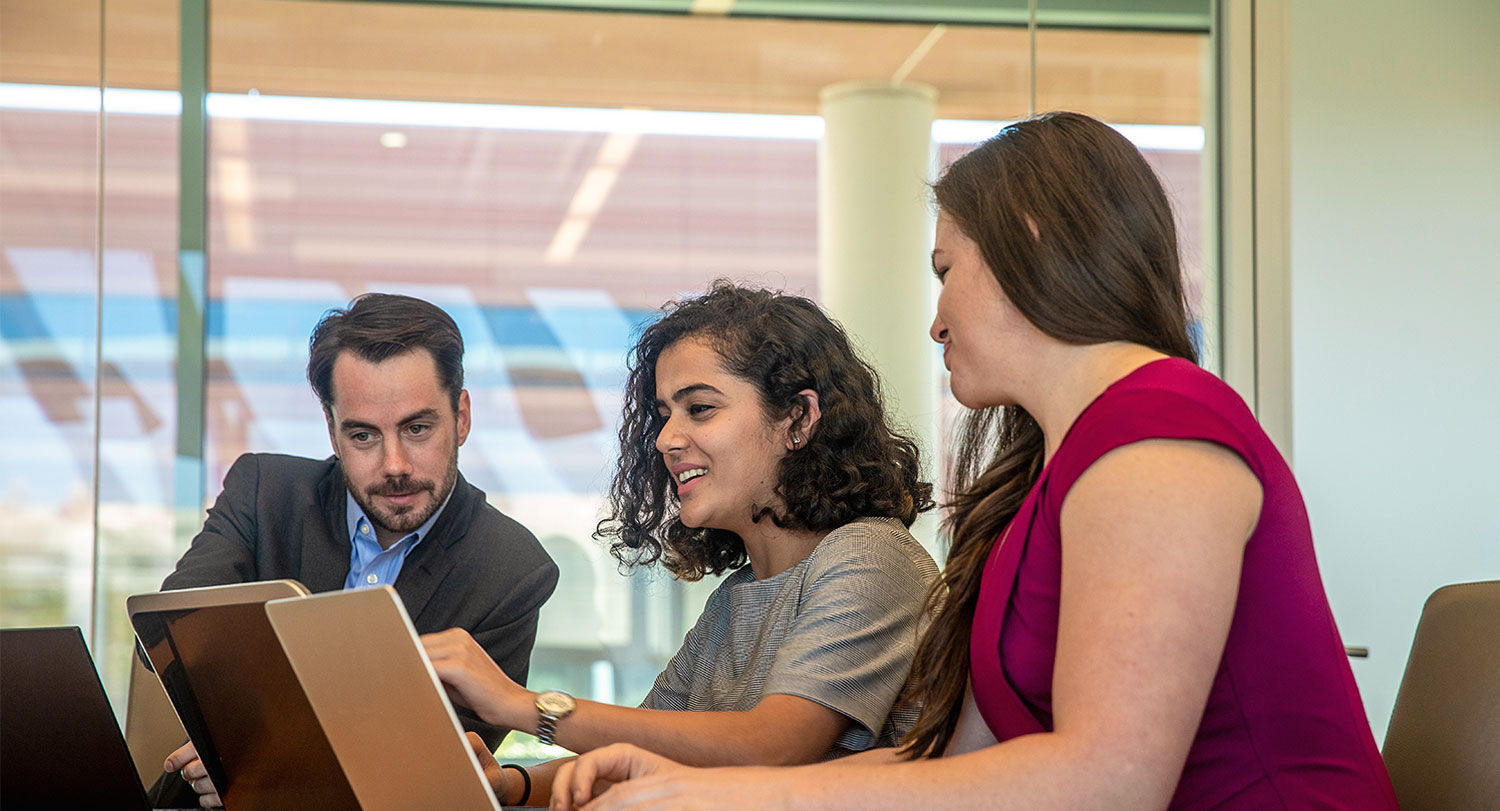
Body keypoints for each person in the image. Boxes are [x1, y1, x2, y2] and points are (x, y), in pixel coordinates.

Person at [546, 112, 1400, 810]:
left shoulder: (1158, 430)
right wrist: (688, 784)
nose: (937, 318)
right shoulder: (1047, 483)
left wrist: (729, 800)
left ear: (1027, 241)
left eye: (946, 270)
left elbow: (1108, 781)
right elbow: (947, 762)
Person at [420, 283, 940, 807]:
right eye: (665, 413)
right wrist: (511, 784)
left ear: (799, 419)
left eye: (700, 409)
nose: (666, 438)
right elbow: (635, 755)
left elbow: (774, 744)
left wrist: (522, 705)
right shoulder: (734, 600)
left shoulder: (872, 557)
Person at [151, 292, 559, 809]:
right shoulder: (264, 491)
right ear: (331, 429)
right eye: (364, 435)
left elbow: (440, 772)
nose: (394, 464)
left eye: (416, 428)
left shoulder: (511, 570)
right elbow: (172, 632)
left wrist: (256, 761)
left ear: (460, 416)